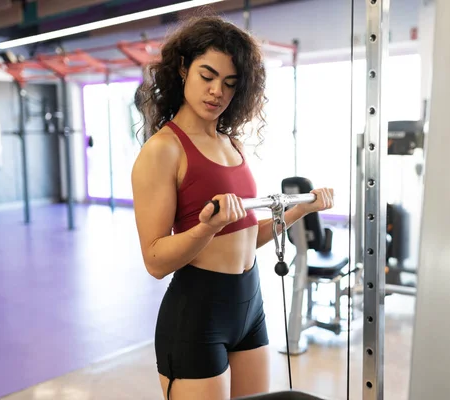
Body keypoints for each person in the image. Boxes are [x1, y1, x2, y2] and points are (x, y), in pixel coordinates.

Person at [131, 14, 334, 400]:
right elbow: (155, 261)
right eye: (206, 76)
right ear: (182, 69)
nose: (216, 92)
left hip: (250, 306)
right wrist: (205, 228)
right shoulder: (163, 150)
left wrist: (298, 212)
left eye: (229, 83)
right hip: (197, 315)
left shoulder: (233, 145)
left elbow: (243, 238)